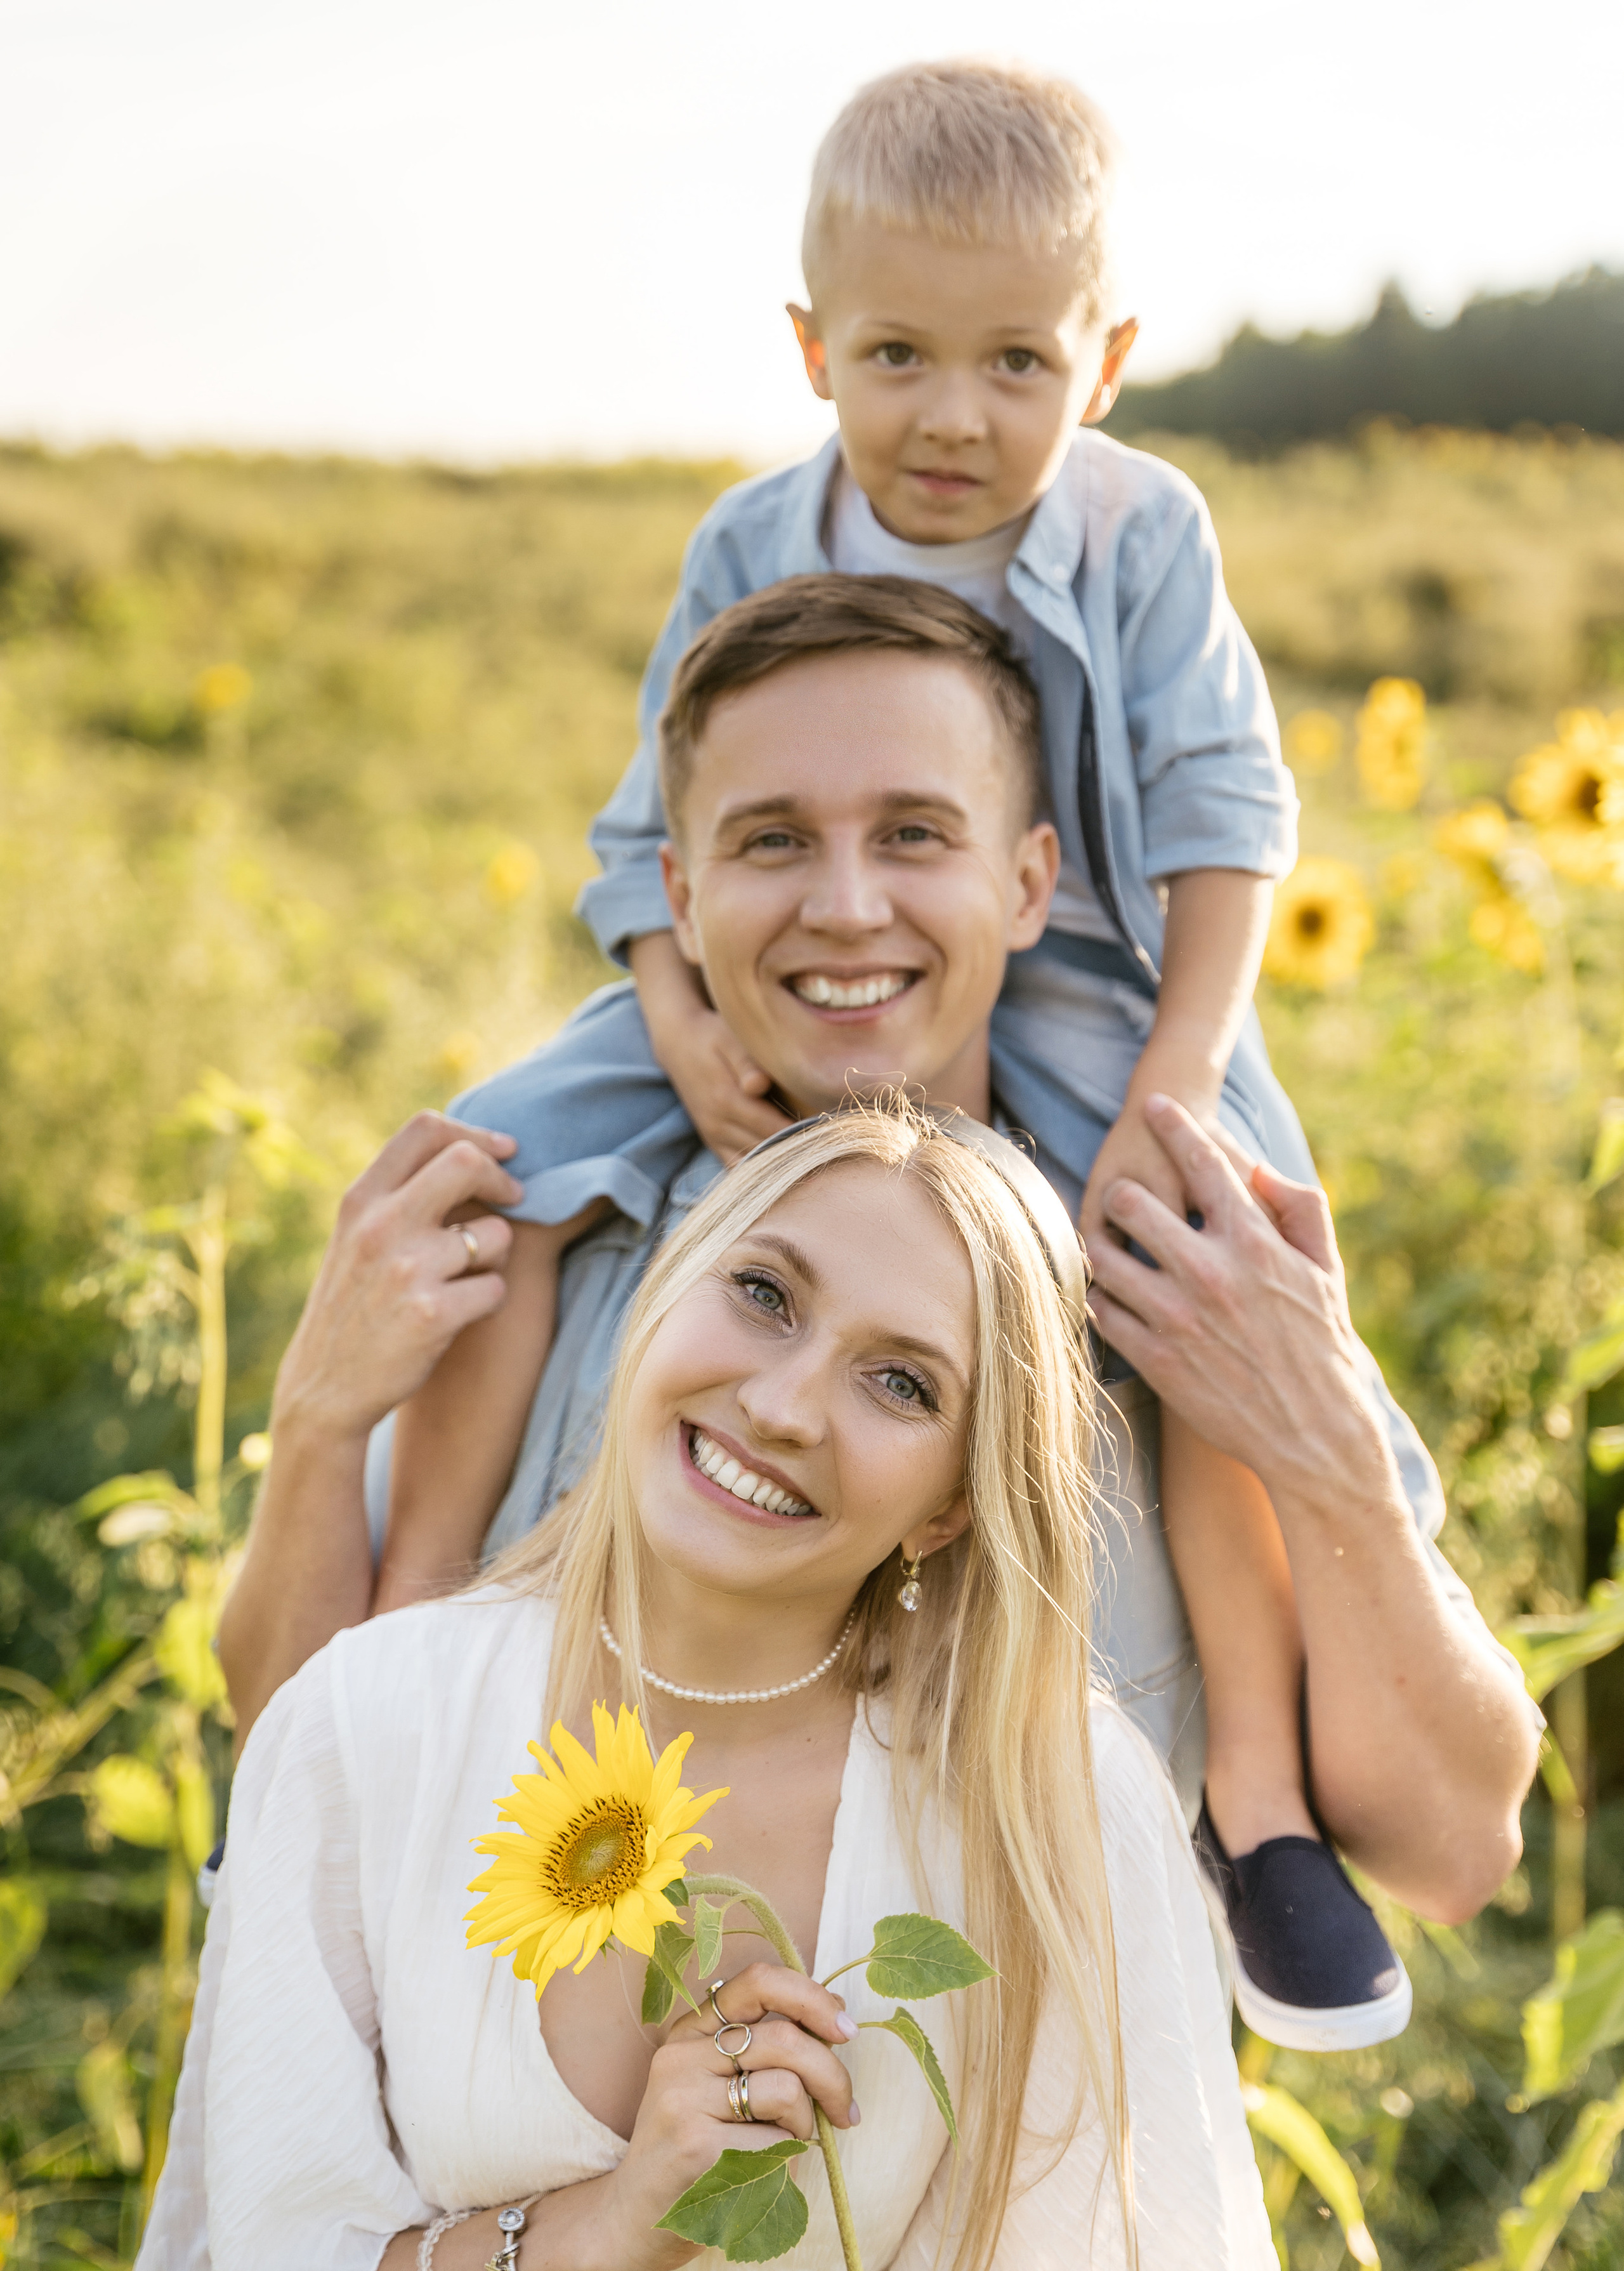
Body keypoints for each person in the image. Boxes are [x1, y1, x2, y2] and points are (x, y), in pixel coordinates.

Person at [361, 62, 1481, 2044]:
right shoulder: (745, 540)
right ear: (809, 347)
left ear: (1107, 361)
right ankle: (417, 1646)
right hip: (718, 978)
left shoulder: (1142, 536)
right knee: (502, 1158)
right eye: (896, 355)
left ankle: (1256, 1800)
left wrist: (1173, 1085)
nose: (954, 418)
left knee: (1189, 1274)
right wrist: (684, 1006)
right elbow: (654, 828)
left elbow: (1227, 826)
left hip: (1097, 976)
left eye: (1016, 364)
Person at [216, 581, 1540, 2048]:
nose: (845, 906)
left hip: (1012, 2211)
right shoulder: (543, 1245)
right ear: (679, 897)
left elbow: (1449, 1849)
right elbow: (301, 1753)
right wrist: (320, 1419)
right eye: (772, 839)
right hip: (539, 2190)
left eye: (913, 834)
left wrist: (1325, 1454)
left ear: (1030, 883)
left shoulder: (1180, 1286)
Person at [136, 1103, 1301, 2271]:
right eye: (761, 1294)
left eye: (900, 1383)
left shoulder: (1046, 1805)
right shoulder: (370, 1718)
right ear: (665, 1285)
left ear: (948, 1506)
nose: (783, 1404)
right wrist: (605, 2227)